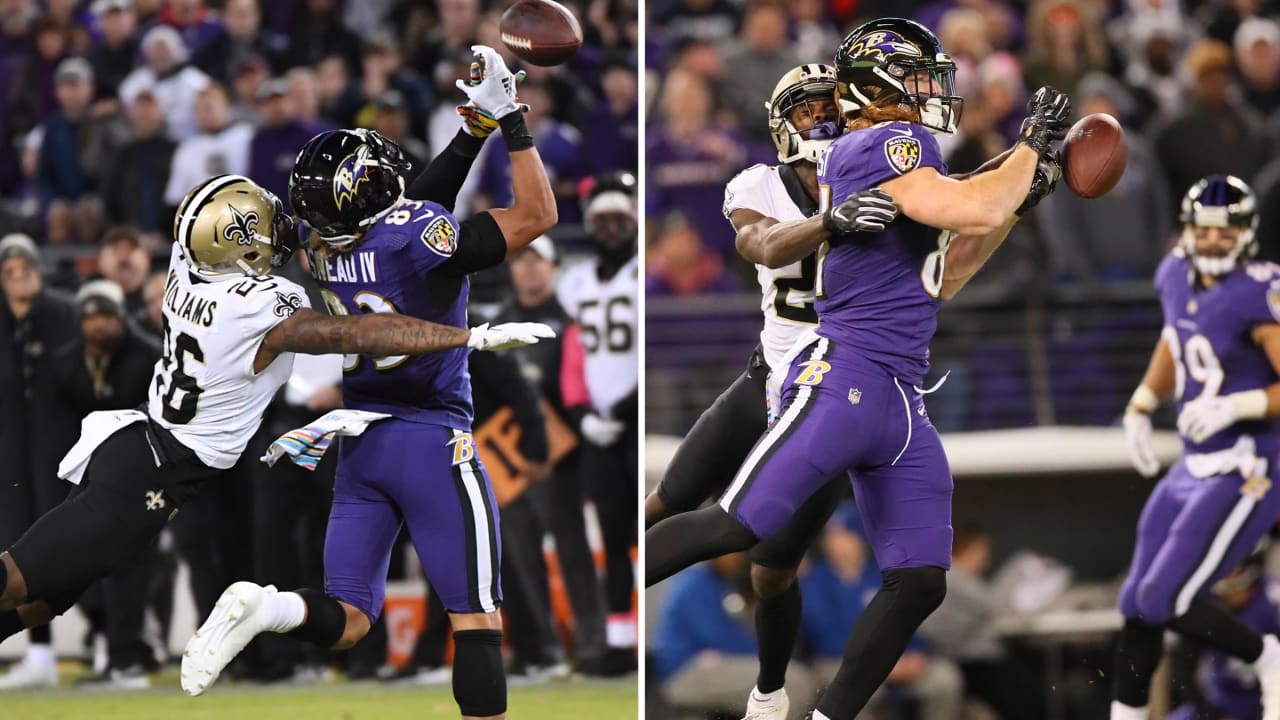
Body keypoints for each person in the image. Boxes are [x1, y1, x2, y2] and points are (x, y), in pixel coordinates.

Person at [645, 18, 1068, 720]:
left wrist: (1021, 197)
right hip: (839, 374)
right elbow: (974, 204)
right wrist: (1022, 155)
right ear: (876, 85)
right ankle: (608, 596)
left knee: (921, 580)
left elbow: (951, 266)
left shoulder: (908, 163)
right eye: (919, 76)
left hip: (901, 392)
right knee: (734, 525)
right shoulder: (880, 143)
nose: (933, 89)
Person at [0, 174, 550, 679]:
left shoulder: (185, 264)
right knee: (19, 581)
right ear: (237, 248)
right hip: (149, 474)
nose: (276, 225)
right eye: (259, 223)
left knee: (46, 599)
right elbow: (360, 334)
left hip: (142, 452)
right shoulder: (265, 306)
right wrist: (467, 338)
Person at [182, 46, 557, 720]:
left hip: (360, 445)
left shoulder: (318, 244)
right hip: (433, 438)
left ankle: (269, 608)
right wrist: (512, 124)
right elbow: (536, 216)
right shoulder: (415, 236)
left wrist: (473, 128)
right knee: (475, 619)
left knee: (350, 617)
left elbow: (413, 211)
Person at [644, 63, 898, 720]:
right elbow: (758, 242)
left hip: (832, 399)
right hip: (768, 378)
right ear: (781, 123)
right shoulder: (757, 182)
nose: (820, 117)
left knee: (772, 568)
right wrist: (831, 224)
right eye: (806, 108)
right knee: (667, 501)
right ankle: (593, 616)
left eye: (829, 107)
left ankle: (768, 687)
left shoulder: (886, 182)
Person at [1115, 175, 1280, 720]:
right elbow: (1176, 337)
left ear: (1247, 233)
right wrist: (1142, 401)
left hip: (1249, 465)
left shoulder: (1261, 287)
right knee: (1135, 606)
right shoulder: (1173, 274)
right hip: (1195, 462)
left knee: (1169, 600)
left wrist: (1240, 405)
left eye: (1224, 231)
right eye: (1203, 231)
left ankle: (1268, 658)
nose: (1212, 242)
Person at [556, 170, 640, 667]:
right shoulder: (576, 282)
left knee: (643, 534)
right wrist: (583, 414)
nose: (610, 228)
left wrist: (624, 410)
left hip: (631, 420)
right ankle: (619, 642)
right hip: (597, 428)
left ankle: (639, 638)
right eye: (601, 219)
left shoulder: (638, 277)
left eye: (618, 218)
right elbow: (571, 359)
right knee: (610, 536)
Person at [0, 234, 78, 690]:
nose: (17, 277)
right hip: (11, 453)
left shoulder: (63, 314)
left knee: (69, 545)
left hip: (60, 450)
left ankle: (110, 642)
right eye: (8, 272)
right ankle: (40, 651)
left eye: (24, 268)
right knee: (18, 548)